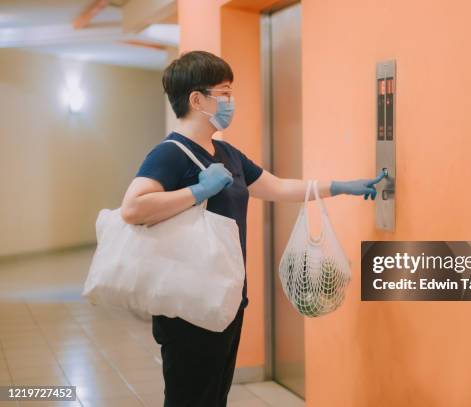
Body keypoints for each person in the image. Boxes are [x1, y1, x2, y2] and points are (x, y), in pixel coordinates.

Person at [119, 50, 385, 407]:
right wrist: (197, 191)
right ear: (197, 99)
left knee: (214, 396)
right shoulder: (169, 153)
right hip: (188, 304)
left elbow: (274, 187)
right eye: (224, 92)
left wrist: (337, 186)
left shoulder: (227, 153)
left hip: (226, 298)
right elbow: (133, 208)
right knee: (188, 398)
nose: (230, 101)